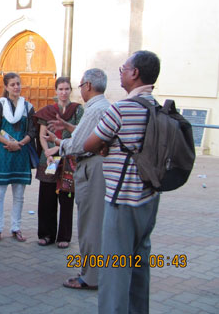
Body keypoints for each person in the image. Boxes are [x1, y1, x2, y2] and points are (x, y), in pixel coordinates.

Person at [84, 51, 161, 314]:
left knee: (114, 269)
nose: (121, 71)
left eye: (123, 68)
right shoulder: (157, 107)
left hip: (122, 199)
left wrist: (106, 146)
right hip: (149, 199)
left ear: (135, 73)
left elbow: (90, 143)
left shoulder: (121, 108)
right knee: (139, 264)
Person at [46, 69, 110, 289]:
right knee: (94, 222)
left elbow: (78, 144)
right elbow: (87, 134)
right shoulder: (101, 107)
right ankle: (93, 272)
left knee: (90, 224)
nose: (79, 89)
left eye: (80, 85)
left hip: (91, 167)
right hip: (95, 166)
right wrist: (69, 129)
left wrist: (57, 141)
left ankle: (90, 277)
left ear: (89, 86)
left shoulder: (93, 109)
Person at [33, 77, 83, 249]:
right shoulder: (48, 110)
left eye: (66, 89)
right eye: (60, 89)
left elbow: (79, 132)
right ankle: (46, 234)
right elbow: (42, 134)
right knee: (47, 196)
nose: (63, 92)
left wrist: (58, 148)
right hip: (50, 159)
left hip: (68, 157)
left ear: (71, 90)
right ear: (56, 91)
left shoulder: (77, 111)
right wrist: (47, 151)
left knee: (66, 197)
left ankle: (64, 236)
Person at [0, 72, 37, 243]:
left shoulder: (28, 107)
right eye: (13, 84)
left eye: (18, 84)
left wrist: (19, 144)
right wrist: (9, 143)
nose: (16, 87)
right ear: (6, 87)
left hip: (20, 154)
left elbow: (32, 131)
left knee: (19, 195)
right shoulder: (0, 105)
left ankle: (16, 227)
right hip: (3, 153)